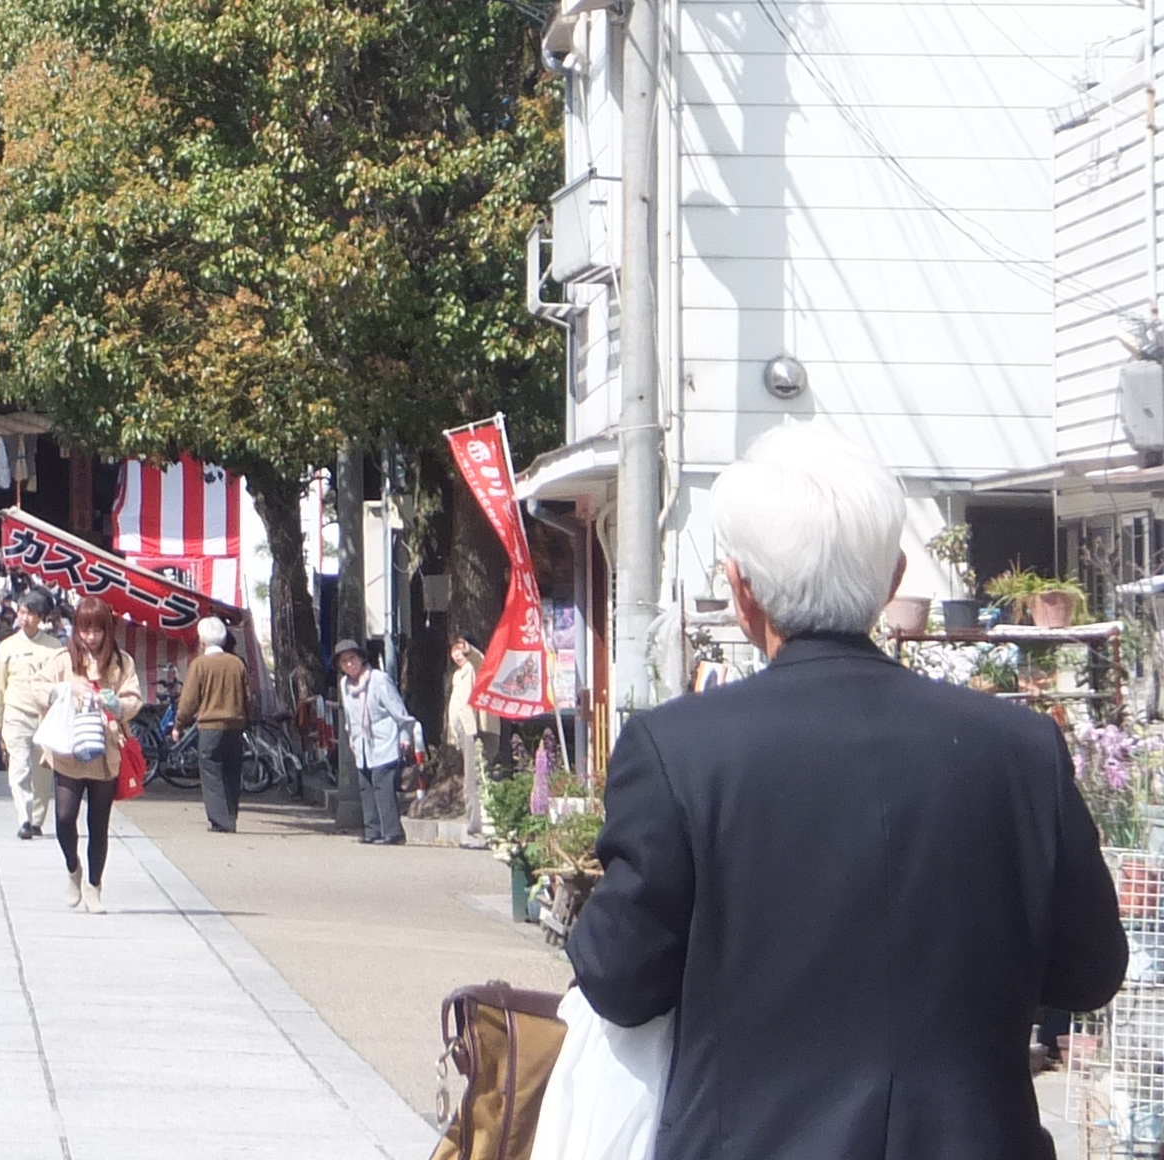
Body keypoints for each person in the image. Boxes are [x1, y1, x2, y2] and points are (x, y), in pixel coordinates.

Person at [570, 426, 1127, 1160]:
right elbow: (1090, 972)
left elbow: (620, 978)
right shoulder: (1021, 749)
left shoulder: (681, 750)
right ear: (893, 579)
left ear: (742, 590)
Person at [47, 595, 143, 911]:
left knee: (98, 822)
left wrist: (117, 704)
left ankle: (94, 886)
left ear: (107, 630)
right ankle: (73, 867)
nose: (91, 636)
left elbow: (134, 699)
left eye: (97, 630)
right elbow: (38, 689)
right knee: (64, 816)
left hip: (106, 751)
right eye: (85, 629)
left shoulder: (121, 661)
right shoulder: (62, 659)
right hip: (69, 749)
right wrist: (63, 690)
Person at [0, 588, 73, 838]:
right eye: (22, 612)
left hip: (45, 715)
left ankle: (37, 818)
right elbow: (0, 685)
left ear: (41, 618)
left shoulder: (54, 647)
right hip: (16, 712)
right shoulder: (8, 646)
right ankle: (24, 818)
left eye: (31, 614)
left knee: (42, 770)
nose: (25, 618)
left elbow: (62, 682)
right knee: (19, 767)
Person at [177, 617, 255, 833]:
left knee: (212, 773)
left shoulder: (200, 665)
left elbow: (189, 700)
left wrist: (179, 724)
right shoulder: (237, 663)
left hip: (210, 727)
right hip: (236, 726)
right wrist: (249, 718)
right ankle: (231, 815)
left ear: (202, 642)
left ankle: (221, 821)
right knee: (232, 771)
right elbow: (248, 697)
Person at [334, 640, 410, 846]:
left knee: (382, 784)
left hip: (384, 738)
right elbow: (350, 716)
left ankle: (393, 832)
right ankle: (372, 830)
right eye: (344, 662)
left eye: (352, 659)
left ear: (361, 658)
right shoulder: (344, 685)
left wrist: (405, 735)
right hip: (362, 743)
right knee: (365, 785)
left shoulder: (379, 680)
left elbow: (398, 709)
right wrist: (352, 737)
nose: (349, 664)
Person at [444, 638, 491, 847]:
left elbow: (479, 659)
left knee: (475, 783)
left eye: (461, 650)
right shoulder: (457, 675)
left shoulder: (474, 667)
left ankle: (479, 832)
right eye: (454, 650)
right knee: (472, 781)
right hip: (465, 734)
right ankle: (477, 829)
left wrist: (469, 649)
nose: (457, 654)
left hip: (477, 732)